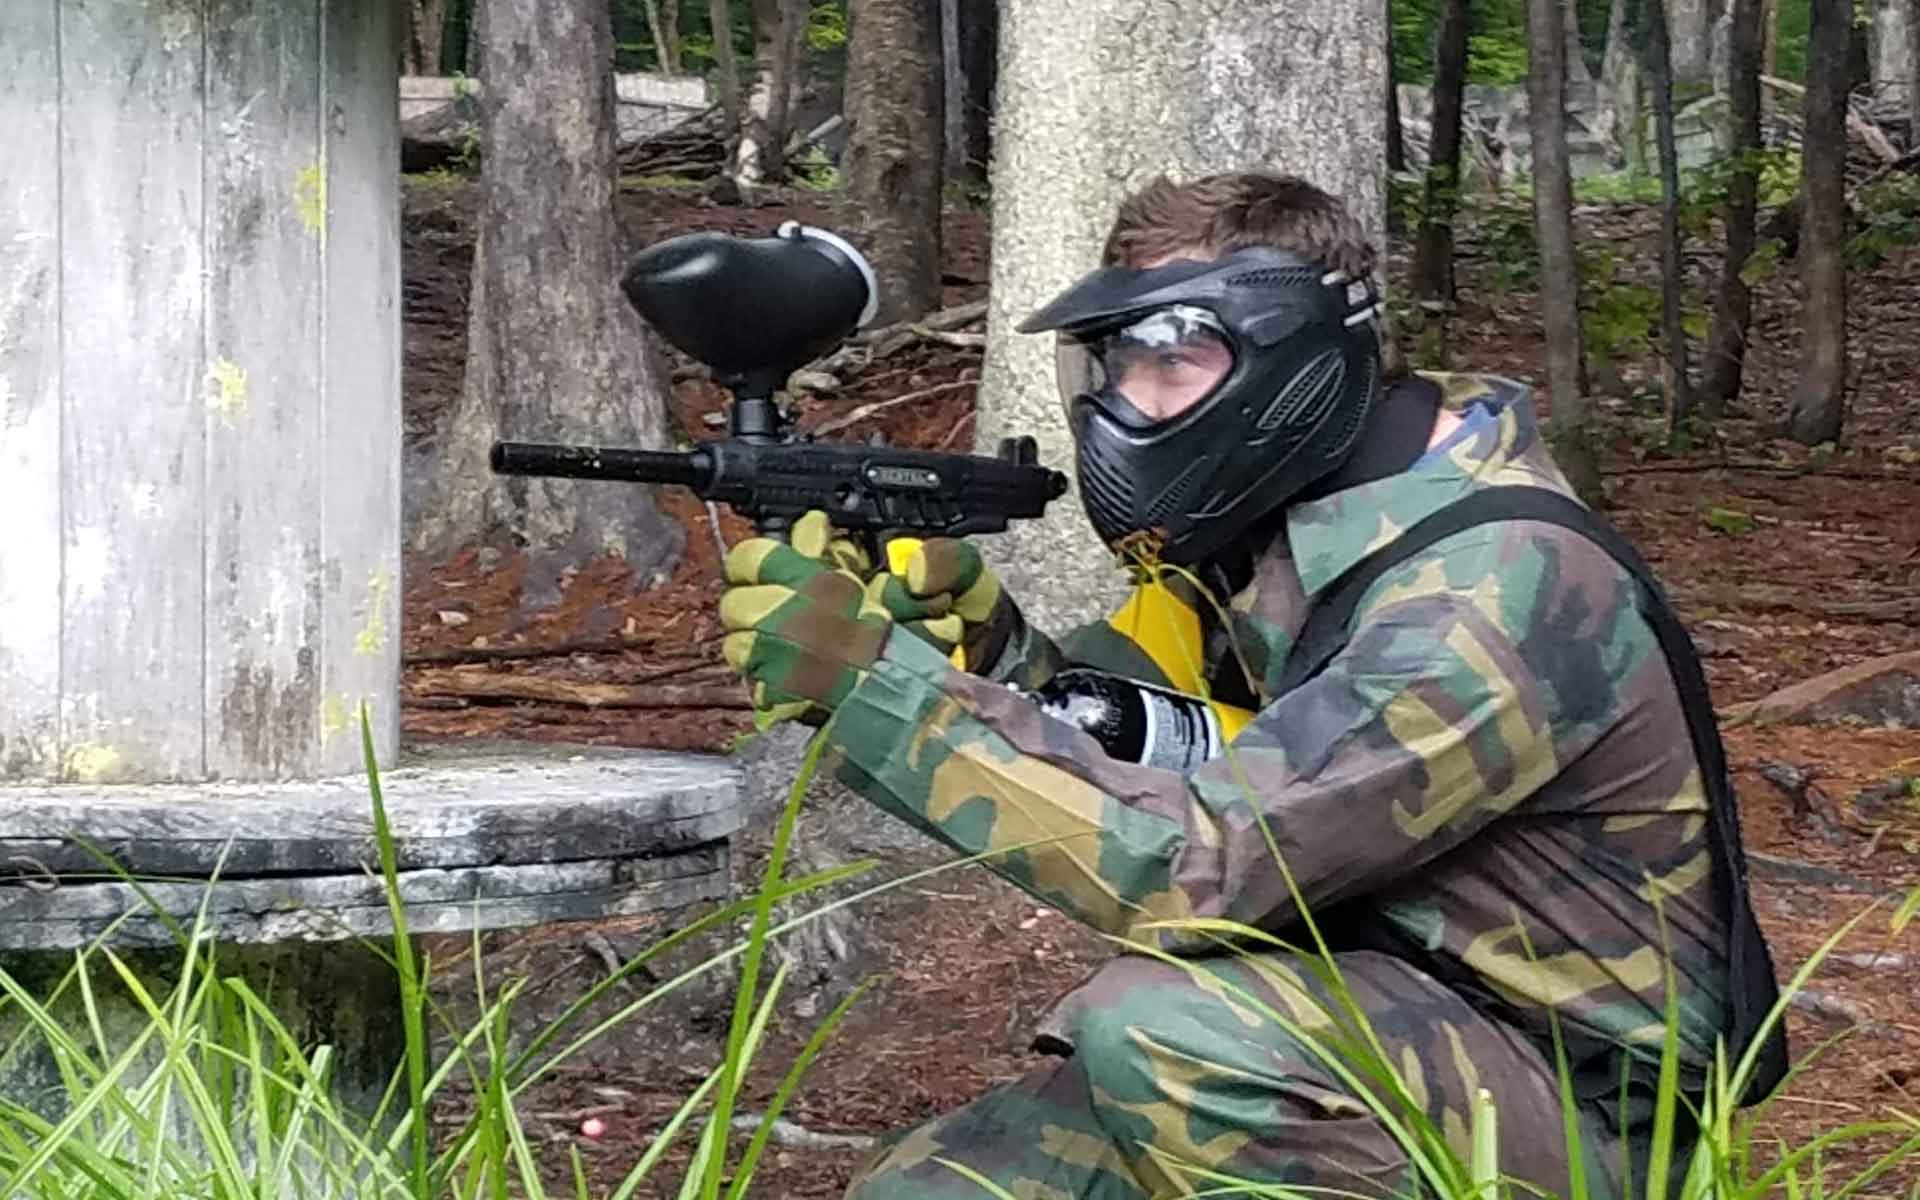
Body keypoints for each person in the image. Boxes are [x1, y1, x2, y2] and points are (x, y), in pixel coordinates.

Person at [715, 172, 1785, 1199]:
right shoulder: (1322, 522)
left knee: (1163, 1031)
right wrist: (999, 658)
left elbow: (1194, 866)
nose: (1124, 406)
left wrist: (878, 690)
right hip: (1393, 1019)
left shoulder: (1489, 587)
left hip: (1586, 1109)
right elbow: (1205, 748)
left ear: (1298, 354)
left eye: (1171, 361)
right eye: (1113, 365)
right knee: (938, 1188)